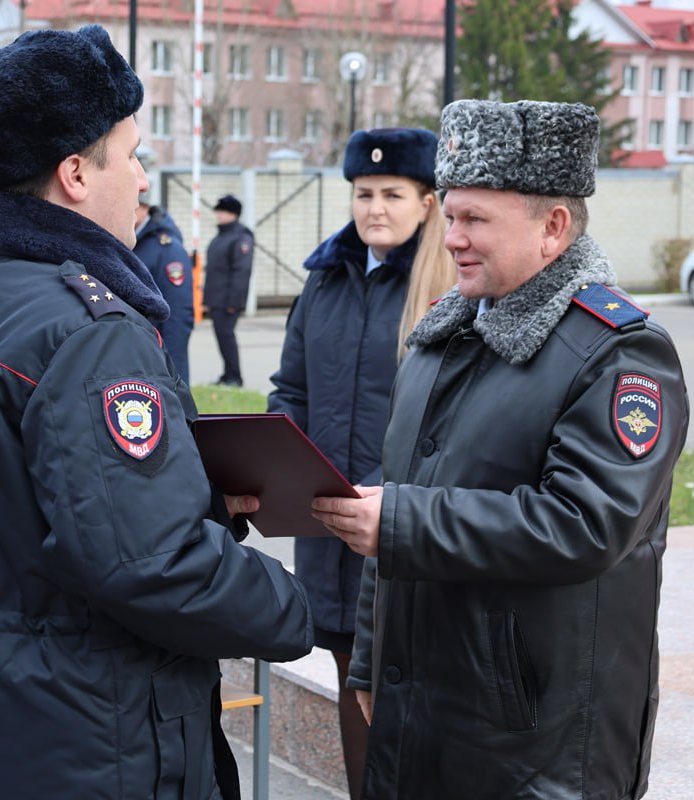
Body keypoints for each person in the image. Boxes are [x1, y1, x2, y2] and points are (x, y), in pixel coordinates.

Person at [0, 25, 312, 798]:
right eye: (131, 155)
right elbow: (147, 564)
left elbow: (11, 504)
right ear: (76, 176)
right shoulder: (89, 329)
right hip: (89, 732)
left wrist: (189, 496)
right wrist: (293, 606)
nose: (143, 179)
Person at [311, 100, 689, 799]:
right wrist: (370, 664)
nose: (451, 238)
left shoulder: (619, 354)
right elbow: (398, 508)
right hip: (426, 708)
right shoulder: (442, 336)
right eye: (450, 215)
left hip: (535, 743)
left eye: (475, 220)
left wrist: (398, 523)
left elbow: (584, 523)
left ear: (554, 228)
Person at [266, 127, 455, 800]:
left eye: (392, 195)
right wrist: (278, 461)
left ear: (428, 202)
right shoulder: (327, 279)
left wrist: (391, 503)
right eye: (363, 193)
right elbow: (293, 389)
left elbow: (455, 424)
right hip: (328, 521)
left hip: (403, 528)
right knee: (352, 675)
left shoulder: (451, 287)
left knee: (407, 684)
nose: (375, 208)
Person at [133, 190, 194, 384]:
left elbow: (177, 314)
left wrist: (173, 371)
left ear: (144, 208)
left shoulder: (167, 249)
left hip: (158, 351)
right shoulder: (132, 241)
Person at [203, 194, 253, 386]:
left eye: (222, 211)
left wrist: (234, 302)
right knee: (222, 338)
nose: (218, 215)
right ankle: (227, 374)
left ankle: (235, 377)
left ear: (233, 213)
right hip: (217, 299)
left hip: (228, 301)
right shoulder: (222, 236)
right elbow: (215, 270)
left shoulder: (241, 237)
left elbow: (242, 271)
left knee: (227, 337)